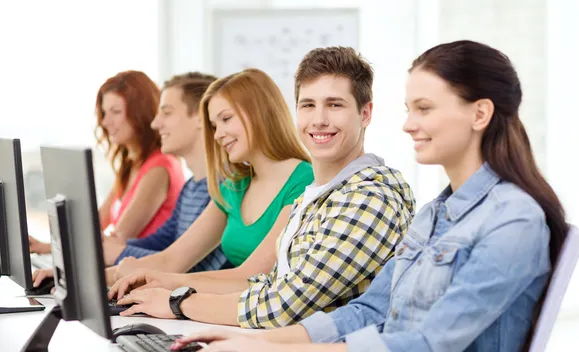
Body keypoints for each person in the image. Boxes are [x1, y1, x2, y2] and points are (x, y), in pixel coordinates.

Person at [170, 40, 569, 352]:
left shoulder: (513, 220)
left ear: (479, 114)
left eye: (424, 109)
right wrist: (253, 342)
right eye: (409, 109)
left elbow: (428, 348)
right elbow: (369, 311)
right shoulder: (436, 213)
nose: (408, 124)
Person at [110, 47, 415, 329]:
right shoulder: (316, 197)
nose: (319, 119)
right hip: (286, 348)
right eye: (308, 105)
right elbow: (266, 283)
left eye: (334, 105)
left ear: (365, 113)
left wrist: (178, 300)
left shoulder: (370, 196)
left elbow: (284, 304)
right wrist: (161, 282)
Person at [29, 70, 185, 255]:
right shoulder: (131, 165)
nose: (105, 121)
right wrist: (47, 247)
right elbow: (95, 226)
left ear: (141, 113)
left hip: (138, 274)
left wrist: (52, 250)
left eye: (116, 112)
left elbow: (117, 238)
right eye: (104, 112)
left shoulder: (159, 168)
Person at [102, 72, 229, 269]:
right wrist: (118, 247)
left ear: (201, 117)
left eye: (167, 113)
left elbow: (189, 267)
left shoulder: (225, 189)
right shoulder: (191, 187)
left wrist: (120, 253)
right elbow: (164, 242)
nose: (155, 123)